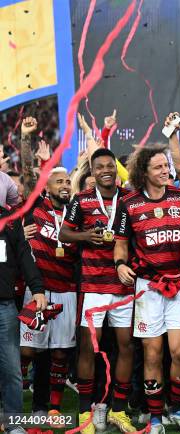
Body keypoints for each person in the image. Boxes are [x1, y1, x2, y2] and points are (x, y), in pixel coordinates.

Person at [113, 145, 180, 434]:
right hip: (147, 288)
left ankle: (176, 409)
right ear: (143, 172)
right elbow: (121, 241)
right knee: (152, 354)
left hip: (178, 285)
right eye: (158, 167)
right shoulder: (129, 203)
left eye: (166, 166)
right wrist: (119, 264)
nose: (165, 171)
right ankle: (155, 418)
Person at [59, 148, 136, 434]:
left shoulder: (129, 198)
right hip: (93, 285)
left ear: (116, 169)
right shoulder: (82, 200)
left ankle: (118, 410)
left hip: (124, 284)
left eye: (110, 166)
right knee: (89, 348)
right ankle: (85, 413)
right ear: (92, 172)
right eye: (100, 166)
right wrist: (85, 236)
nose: (106, 170)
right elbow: (64, 233)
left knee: (126, 347)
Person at [19, 117, 77, 424]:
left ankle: (50, 407)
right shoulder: (36, 207)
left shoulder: (76, 211)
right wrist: (26, 140)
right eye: (59, 181)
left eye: (68, 181)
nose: (65, 185)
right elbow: (28, 176)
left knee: (58, 353)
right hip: (38, 290)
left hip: (67, 291)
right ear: (48, 186)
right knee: (28, 351)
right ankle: (15, 396)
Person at [0, 206, 47, 434]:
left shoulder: (9, 219)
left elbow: (24, 254)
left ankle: (13, 424)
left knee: (11, 369)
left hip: (4, 304)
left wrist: (37, 288)